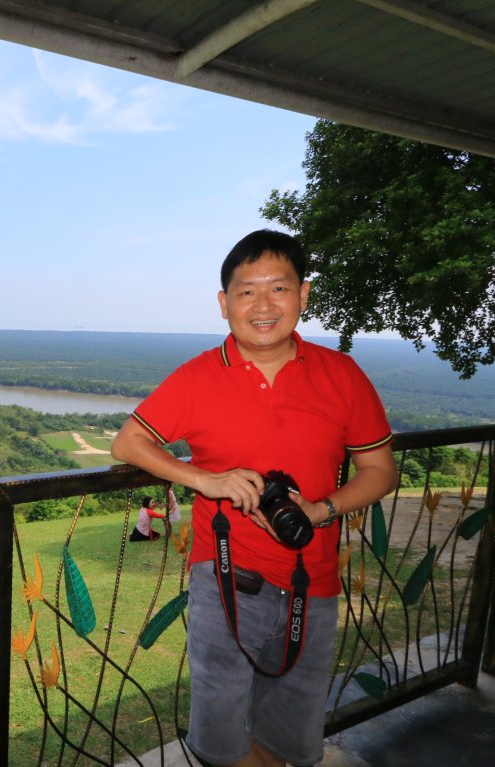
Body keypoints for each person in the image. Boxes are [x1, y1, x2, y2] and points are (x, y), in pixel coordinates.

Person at [110, 230, 397, 767]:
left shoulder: (341, 375)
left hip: (313, 578)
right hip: (223, 578)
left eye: (279, 288)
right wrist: (205, 480)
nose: (263, 306)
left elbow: (380, 470)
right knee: (221, 732)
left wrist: (321, 509)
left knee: (289, 727)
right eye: (246, 292)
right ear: (224, 304)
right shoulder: (198, 376)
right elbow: (129, 441)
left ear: (304, 295)